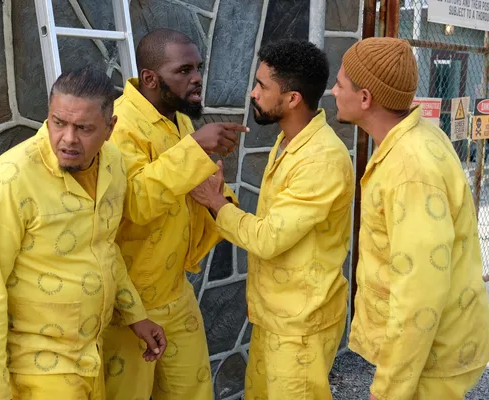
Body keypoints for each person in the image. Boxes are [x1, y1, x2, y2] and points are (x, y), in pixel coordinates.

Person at [0, 67, 167, 400]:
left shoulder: (113, 164)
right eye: (58, 123)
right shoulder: (7, 182)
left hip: (91, 358)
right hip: (38, 372)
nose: (68, 138)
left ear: (110, 128)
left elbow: (105, 247)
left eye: (84, 128)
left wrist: (135, 315)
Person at [190, 39, 354, 399]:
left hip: (300, 327)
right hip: (276, 317)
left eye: (262, 86)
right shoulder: (290, 141)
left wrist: (216, 204)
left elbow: (268, 239)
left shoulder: (320, 160)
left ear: (292, 98)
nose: (253, 93)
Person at [331, 37, 489, 399]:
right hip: (432, 348)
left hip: (432, 358)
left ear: (365, 98)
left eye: (340, 84)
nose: (334, 91)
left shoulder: (409, 169)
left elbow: (420, 291)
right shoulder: (418, 135)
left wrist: (389, 389)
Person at [102, 28, 246, 400]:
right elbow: (135, 203)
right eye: (184, 70)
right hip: (128, 305)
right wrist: (196, 146)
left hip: (176, 292)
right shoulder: (119, 125)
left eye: (198, 68)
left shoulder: (177, 116)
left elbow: (192, 182)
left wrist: (223, 204)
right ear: (150, 78)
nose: (196, 78)